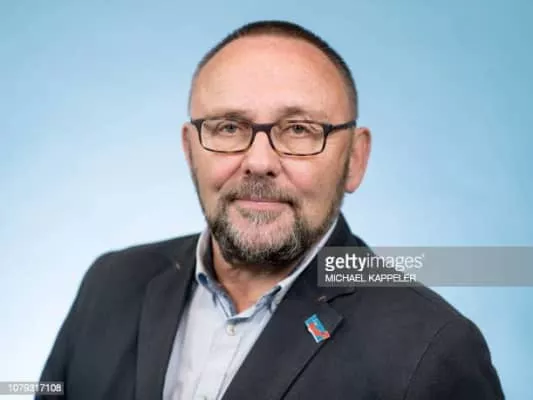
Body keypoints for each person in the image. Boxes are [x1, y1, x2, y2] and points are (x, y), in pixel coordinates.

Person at [38, 20, 505, 400]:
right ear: (190, 149)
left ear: (355, 160)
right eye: (228, 127)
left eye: (299, 129)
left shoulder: (431, 351)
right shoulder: (110, 284)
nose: (259, 162)